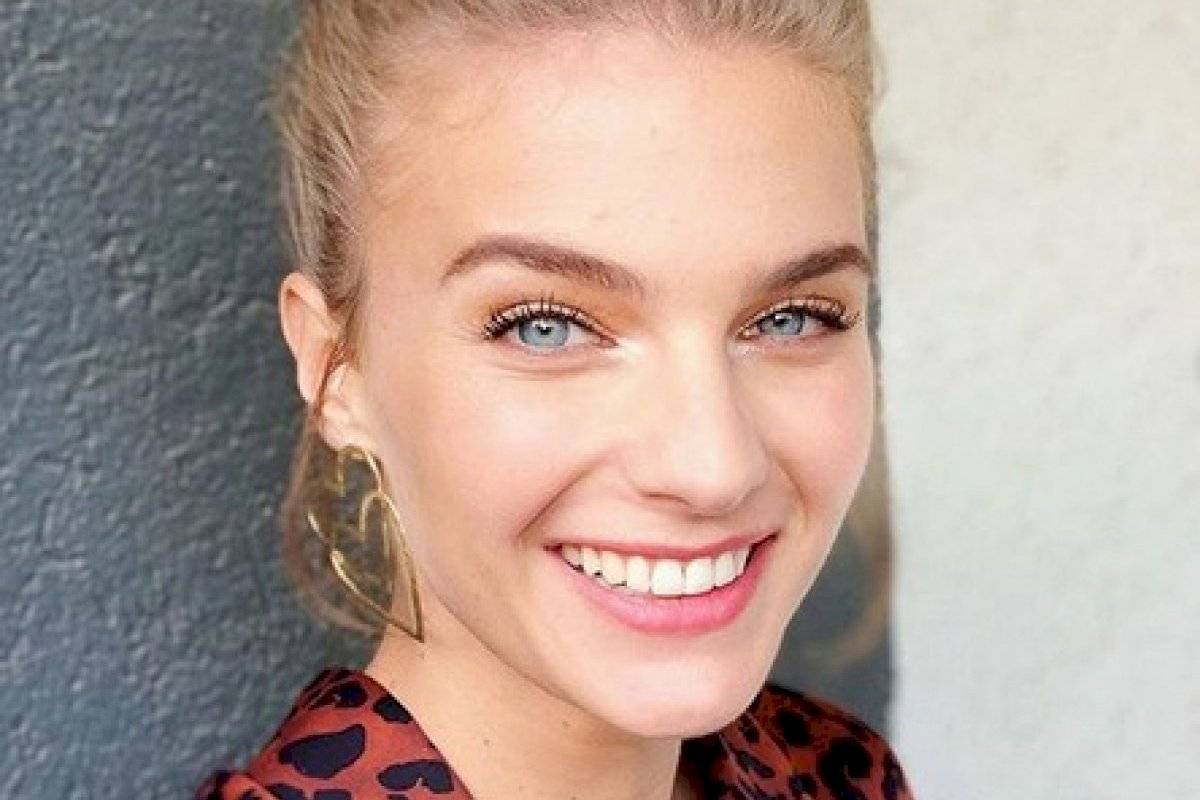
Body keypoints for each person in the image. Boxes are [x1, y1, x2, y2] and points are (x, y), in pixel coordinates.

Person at [195, 1, 914, 798]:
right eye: (546, 328)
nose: (712, 469)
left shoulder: (836, 776)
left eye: (792, 319)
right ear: (336, 369)